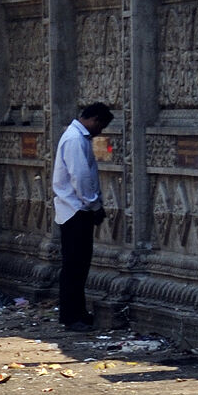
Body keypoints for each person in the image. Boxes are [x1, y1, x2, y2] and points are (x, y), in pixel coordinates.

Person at [52, 102, 114, 329]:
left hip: (75, 209)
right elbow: (80, 177)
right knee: (74, 266)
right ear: (94, 119)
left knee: (78, 265)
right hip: (76, 210)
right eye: (101, 126)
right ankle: (71, 316)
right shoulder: (75, 139)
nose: (100, 131)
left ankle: (77, 312)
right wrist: (94, 205)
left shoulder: (77, 137)